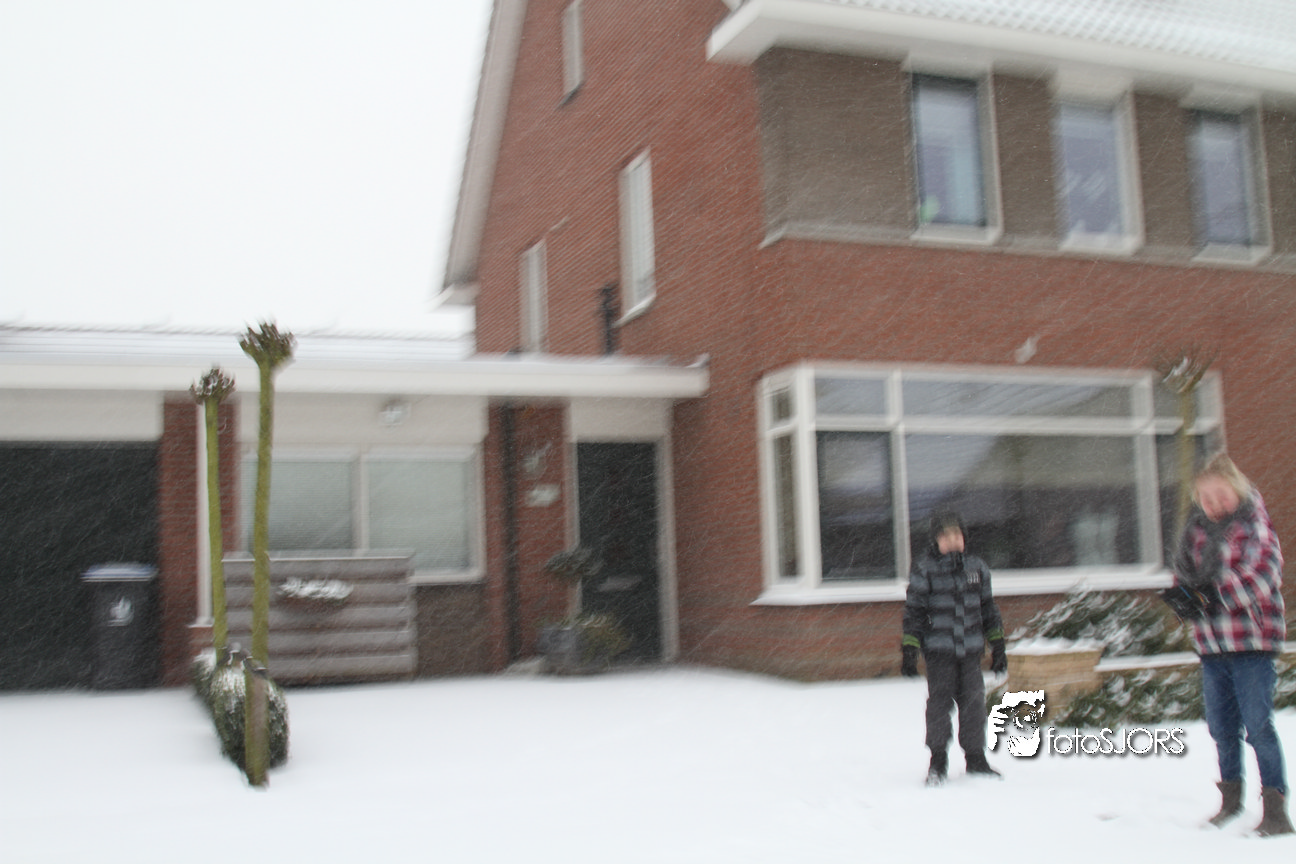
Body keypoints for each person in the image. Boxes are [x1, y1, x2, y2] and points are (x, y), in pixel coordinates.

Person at [1172, 453, 1293, 836]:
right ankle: (1230, 801)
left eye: (1221, 495)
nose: (1215, 504)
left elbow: (1261, 576)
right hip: (1212, 647)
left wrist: (1211, 596)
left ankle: (1275, 811)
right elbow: (1185, 577)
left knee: (1258, 727)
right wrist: (1184, 599)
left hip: (1251, 644)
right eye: (1207, 499)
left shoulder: (1255, 526)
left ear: (1237, 491)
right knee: (1221, 728)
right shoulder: (1195, 532)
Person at [901, 512, 1007, 786]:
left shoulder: (977, 568)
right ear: (936, 540)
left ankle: (976, 758)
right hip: (939, 653)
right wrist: (910, 648)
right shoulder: (925, 569)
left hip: (970, 651)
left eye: (957, 535)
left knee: (974, 705)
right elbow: (914, 611)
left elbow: (988, 609)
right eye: (946, 536)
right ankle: (938, 760)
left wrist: (997, 645)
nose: (953, 540)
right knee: (939, 706)